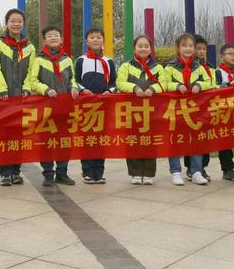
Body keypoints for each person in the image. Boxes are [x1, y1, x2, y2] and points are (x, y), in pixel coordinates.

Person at [0, 8, 36, 186]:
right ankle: (5, 173)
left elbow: (32, 70)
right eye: (13, 21)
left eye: (19, 21)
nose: (16, 24)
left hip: (22, 97)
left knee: (19, 136)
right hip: (4, 97)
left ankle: (16, 171)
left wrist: (27, 88)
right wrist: (2, 89)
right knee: (4, 135)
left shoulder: (29, 46)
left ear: (23, 24)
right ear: (7, 23)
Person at [31, 25, 79, 186]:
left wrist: (74, 87)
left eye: (56, 35)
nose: (53, 38)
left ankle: (62, 172)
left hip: (64, 107)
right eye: (49, 35)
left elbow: (72, 78)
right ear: (44, 40)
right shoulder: (39, 60)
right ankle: (48, 174)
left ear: (61, 39)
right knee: (46, 141)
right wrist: (46, 90)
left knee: (64, 140)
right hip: (45, 107)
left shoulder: (67, 59)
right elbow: (33, 81)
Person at [116, 35, 168, 185]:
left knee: (150, 141)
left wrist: (153, 88)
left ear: (151, 49)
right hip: (131, 111)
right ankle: (135, 173)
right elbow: (120, 83)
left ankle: (149, 174)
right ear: (134, 49)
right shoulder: (126, 66)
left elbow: (164, 83)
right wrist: (135, 88)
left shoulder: (158, 67)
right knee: (133, 141)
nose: (143, 48)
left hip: (152, 111)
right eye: (140, 46)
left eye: (146, 46)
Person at [165, 33, 214, 186]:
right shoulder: (170, 66)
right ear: (178, 48)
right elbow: (164, 83)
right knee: (174, 140)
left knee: (196, 139)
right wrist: (176, 86)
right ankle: (176, 172)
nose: (188, 49)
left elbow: (209, 82)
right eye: (184, 45)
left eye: (190, 46)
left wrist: (199, 86)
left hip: (194, 110)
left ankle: (197, 171)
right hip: (175, 109)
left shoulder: (199, 66)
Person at [75, 28, 116, 184]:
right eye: (92, 37)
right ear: (87, 41)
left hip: (103, 105)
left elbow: (114, 82)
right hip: (85, 106)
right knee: (86, 138)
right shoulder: (81, 60)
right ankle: (87, 171)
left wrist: (108, 92)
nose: (95, 40)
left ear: (103, 41)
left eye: (99, 37)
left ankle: (99, 172)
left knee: (101, 139)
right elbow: (75, 80)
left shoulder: (109, 61)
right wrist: (83, 90)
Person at [214, 44, 234, 181]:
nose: (233, 56)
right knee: (225, 141)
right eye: (230, 54)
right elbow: (215, 88)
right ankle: (227, 169)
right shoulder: (217, 72)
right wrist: (228, 86)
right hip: (224, 112)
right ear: (221, 56)